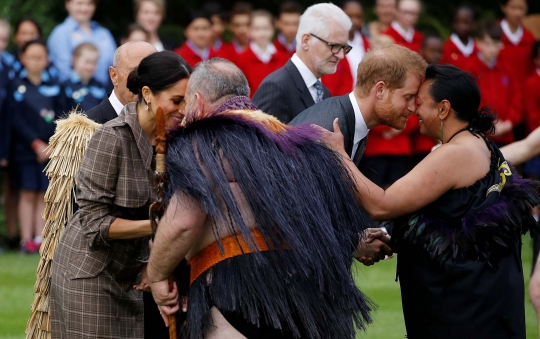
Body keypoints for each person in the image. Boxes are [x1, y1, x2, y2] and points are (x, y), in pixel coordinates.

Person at [147, 58, 385, 339]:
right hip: (308, 292)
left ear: (197, 102)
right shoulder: (295, 141)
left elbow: (184, 222)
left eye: (186, 104)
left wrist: (158, 276)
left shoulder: (203, 142)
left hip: (238, 290)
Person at [322, 64, 539, 339]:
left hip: (463, 313)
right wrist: (390, 234)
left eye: (421, 103)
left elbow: (382, 204)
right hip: (483, 305)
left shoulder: (455, 154)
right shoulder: (477, 142)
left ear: (444, 108)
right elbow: (447, 212)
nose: (414, 110)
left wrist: (338, 155)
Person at [50, 50, 192, 339]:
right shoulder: (110, 137)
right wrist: (157, 227)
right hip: (89, 274)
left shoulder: (176, 140)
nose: (184, 110)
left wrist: (153, 263)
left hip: (131, 274)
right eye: (177, 101)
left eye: (188, 101)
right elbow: (93, 223)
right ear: (148, 94)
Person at [291, 44, 426, 185]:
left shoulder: (345, 120)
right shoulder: (327, 132)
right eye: (408, 97)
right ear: (380, 89)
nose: (412, 108)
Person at [6, 39, 68, 253]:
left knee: (44, 192)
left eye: (40, 57)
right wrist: (35, 143)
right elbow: (15, 120)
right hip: (25, 150)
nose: (36, 61)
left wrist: (51, 144)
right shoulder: (15, 85)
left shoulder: (55, 87)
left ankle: (40, 238)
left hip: (49, 150)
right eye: (31, 57)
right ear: (23, 58)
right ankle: (25, 240)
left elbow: (62, 116)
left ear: (47, 60)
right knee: (27, 193)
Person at [252, 3, 351, 123]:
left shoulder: (324, 93)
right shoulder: (276, 88)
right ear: (306, 41)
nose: (340, 55)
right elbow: (257, 140)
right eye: (334, 46)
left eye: (343, 47)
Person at [467, 21, 522, 146]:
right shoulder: (469, 69)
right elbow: (468, 102)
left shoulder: (508, 69)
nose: (492, 49)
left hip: (506, 135)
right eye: (487, 44)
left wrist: (508, 123)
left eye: (496, 44)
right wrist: (485, 124)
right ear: (478, 43)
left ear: (501, 44)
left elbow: (516, 100)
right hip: (479, 136)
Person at [47, 0, 116, 87]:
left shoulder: (104, 33)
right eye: (79, 3)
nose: (85, 8)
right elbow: (63, 71)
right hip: (73, 93)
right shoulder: (60, 33)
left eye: (90, 4)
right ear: (67, 4)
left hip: (104, 92)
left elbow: (115, 65)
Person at [86, 41, 157, 124]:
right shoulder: (87, 129)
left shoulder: (166, 124)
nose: (146, 81)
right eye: (136, 73)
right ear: (114, 75)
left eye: (153, 72)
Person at [322, 0, 371, 97]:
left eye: (358, 17)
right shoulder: (330, 44)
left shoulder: (367, 44)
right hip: (339, 103)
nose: (354, 21)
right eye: (349, 16)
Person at [237, 10, 288, 95]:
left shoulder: (283, 57)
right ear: (249, 31)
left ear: (272, 29)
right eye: (257, 29)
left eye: (265, 28)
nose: (262, 33)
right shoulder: (241, 59)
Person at [499, 0, 535, 90]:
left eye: (521, 8)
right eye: (513, 8)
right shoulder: (493, 36)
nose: (518, 13)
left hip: (524, 94)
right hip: (500, 92)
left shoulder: (530, 39)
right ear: (504, 8)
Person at [61, 43, 106, 111]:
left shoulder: (100, 87)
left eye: (94, 62)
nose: (90, 67)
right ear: (75, 60)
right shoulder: (65, 87)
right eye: (87, 62)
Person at [441, 5, 478, 70]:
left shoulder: (478, 49)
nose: (461, 26)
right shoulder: (446, 48)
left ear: (473, 24)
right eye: (457, 22)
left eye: (466, 23)